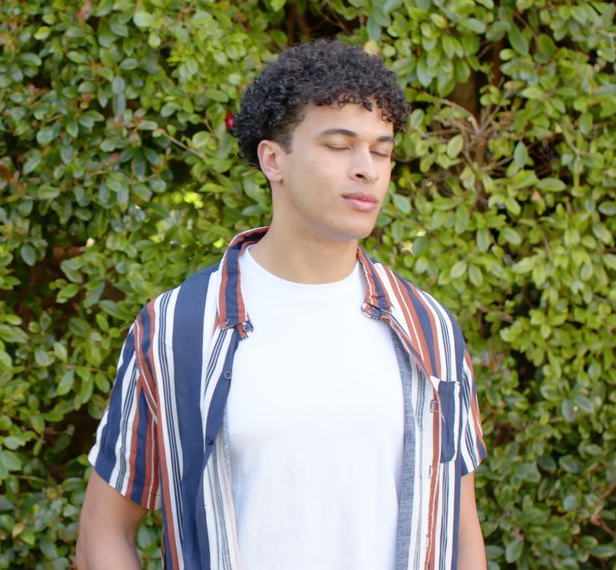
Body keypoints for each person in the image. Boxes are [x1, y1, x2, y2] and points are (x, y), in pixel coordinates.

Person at [75, 39, 488, 570]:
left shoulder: (428, 328)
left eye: (381, 150)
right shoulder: (178, 328)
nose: (367, 169)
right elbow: (102, 533)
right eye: (339, 145)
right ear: (274, 159)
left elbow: (461, 532)